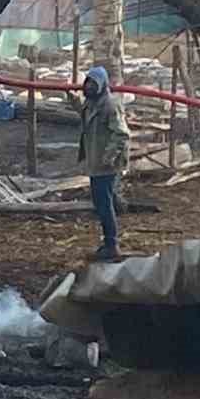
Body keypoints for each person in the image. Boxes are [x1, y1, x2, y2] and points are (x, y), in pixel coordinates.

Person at [78, 66, 130, 263]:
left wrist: (109, 157)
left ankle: (112, 245)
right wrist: (71, 99)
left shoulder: (110, 105)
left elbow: (122, 135)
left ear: (102, 84)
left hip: (106, 164)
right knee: (104, 201)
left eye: (93, 83)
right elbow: (86, 119)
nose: (89, 86)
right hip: (96, 161)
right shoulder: (91, 103)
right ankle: (110, 241)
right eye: (88, 82)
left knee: (103, 204)